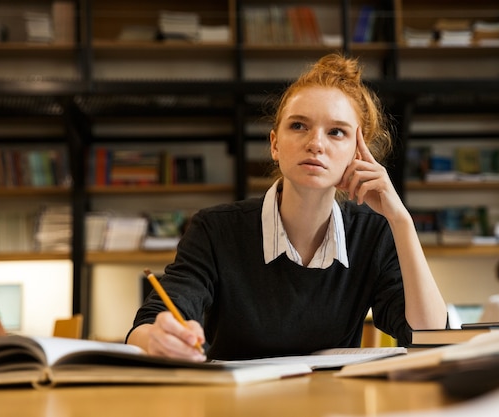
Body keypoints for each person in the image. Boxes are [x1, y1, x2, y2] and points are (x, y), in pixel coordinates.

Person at [126, 53, 447, 361]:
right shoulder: (214, 229)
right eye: (298, 126)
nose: (315, 143)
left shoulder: (374, 232)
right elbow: (146, 326)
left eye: (336, 132)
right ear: (275, 144)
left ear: (357, 154)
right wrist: (156, 338)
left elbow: (429, 336)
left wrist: (400, 220)